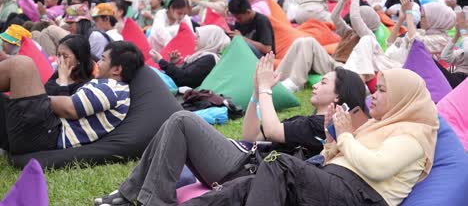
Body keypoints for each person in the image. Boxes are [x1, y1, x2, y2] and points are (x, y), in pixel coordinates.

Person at [94, 54, 369, 206]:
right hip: (244, 158)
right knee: (175, 124)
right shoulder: (306, 120)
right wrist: (255, 93)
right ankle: (129, 193)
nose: (317, 85)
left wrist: (265, 88)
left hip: (247, 171)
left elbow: (272, 132)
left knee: (182, 121)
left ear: (338, 96)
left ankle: (148, 199)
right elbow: (253, 136)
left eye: (323, 82)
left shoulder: (321, 127)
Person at [179, 68, 439, 206]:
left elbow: (377, 168)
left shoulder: (412, 135)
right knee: (246, 185)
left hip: (359, 195)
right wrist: (331, 138)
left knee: (279, 163)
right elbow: (336, 157)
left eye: (382, 91)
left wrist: (346, 136)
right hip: (335, 183)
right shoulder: (377, 126)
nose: (376, 95)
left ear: (402, 99)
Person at [0, 41, 144, 154]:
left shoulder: (112, 89)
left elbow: (69, 109)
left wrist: (31, 94)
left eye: (102, 59)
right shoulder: (105, 86)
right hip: (43, 130)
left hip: (48, 135)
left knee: (22, 65)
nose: (98, 63)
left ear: (117, 69)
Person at [149, 25, 230, 88]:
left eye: (198, 37)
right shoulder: (201, 56)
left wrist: (161, 61)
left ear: (209, 40)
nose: (195, 39)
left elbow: (184, 79)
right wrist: (172, 63)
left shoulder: (210, 59)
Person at [440, 11, 468, 88]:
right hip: (458, 78)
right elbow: (445, 57)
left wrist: (463, 32)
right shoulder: (464, 42)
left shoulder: (465, 40)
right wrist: (456, 35)